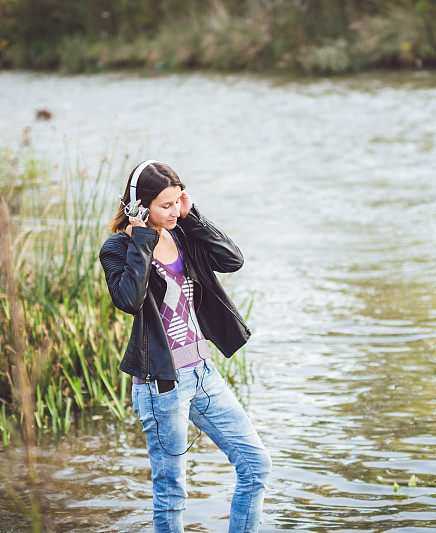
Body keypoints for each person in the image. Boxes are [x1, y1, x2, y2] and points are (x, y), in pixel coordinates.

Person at [99, 160, 271, 532]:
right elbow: (129, 298)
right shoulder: (118, 248)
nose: (174, 210)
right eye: (165, 205)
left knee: (256, 466)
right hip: (161, 384)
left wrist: (194, 218)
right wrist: (142, 236)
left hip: (203, 374)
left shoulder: (183, 234)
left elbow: (233, 260)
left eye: (178, 201)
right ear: (139, 206)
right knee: (171, 493)